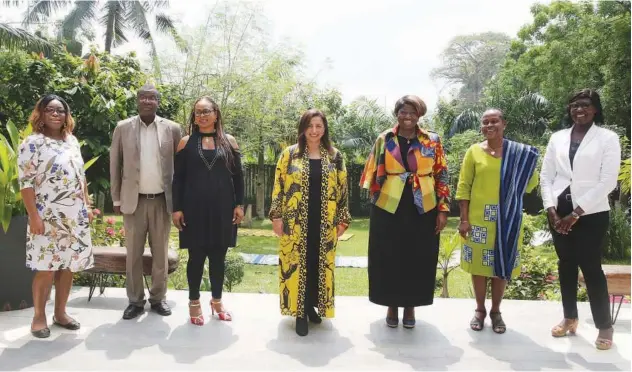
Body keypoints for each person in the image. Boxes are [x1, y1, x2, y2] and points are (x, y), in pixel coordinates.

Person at [540, 89, 621, 350]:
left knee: (591, 268)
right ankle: (569, 318)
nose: (579, 110)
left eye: (585, 105)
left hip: (591, 213)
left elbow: (608, 180)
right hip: (559, 213)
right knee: (566, 265)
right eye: (574, 105)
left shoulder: (607, 138)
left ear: (595, 109)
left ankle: (604, 326)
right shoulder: (557, 138)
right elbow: (546, 176)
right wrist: (551, 209)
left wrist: (576, 213)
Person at [360, 95, 449, 329]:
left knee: (419, 256)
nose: (407, 116)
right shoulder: (385, 138)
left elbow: (442, 174)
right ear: (396, 113)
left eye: (412, 112)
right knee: (388, 255)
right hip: (389, 206)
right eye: (403, 112)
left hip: (424, 206)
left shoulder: (432, 140)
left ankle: (410, 306)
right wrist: (374, 198)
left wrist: (442, 209)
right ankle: (391, 304)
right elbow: (372, 169)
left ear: (419, 115)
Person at [456, 109, 539, 334]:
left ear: (504, 124)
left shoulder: (519, 153)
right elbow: (464, 186)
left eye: (494, 121)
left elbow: (530, 184)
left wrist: (522, 172)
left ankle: (496, 311)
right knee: (480, 267)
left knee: (502, 266)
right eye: (485, 122)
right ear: (481, 127)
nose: (489, 125)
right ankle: (480, 310)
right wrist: (464, 219)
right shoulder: (474, 152)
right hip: (478, 219)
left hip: (508, 217)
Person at [17, 94, 94, 338]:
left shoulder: (71, 141)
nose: (55, 114)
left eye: (60, 110)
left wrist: (87, 206)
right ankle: (39, 317)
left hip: (74, 216)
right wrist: (34, 216)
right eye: (50, 109)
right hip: (46, 215)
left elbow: (80, 177)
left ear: (66, 115)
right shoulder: (32, 143)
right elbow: (26, 183)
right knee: (45, 267)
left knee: (68, 266)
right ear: (40, 113)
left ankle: (60, 313)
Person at [269, 109, 351, 336]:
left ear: (324, 129)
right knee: (296, 264)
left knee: (319, 265)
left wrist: (343, 220)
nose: (314, 131)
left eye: (319, 126)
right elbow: (278, 187)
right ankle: (299, 312)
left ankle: (312, 306)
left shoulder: (335, 156)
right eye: (310, 126)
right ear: (303, 128)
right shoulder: (289, 155)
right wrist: (276, 217)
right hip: (294, 223)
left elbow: (343, 190)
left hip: (324, 223)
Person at [110, 84, 182, 320]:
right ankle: (135, 301)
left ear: (157, 102)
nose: (147, 101)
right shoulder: (123, 128)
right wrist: (116, 197)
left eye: (152, 98)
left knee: (160, 254)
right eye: (143, 97)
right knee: (133, 254)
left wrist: (180, 200)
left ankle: (158, 298)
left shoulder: (172, 129)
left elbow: (180, 167)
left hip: (162, 201)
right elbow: (115, 164)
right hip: (134, 201)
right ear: (138, 101)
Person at [172, 96, 244, 325]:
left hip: (223, 209)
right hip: (193, 209)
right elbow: (178, 179)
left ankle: (217, 300)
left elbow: (239, 177)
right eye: (197, 112)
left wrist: (239, 204)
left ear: (216, 114)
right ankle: (194, 302)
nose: (201, 116)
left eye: (206, 111)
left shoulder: (229, 142)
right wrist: (177, 208)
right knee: (196, 257)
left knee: (218, 258)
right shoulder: (185, 142)